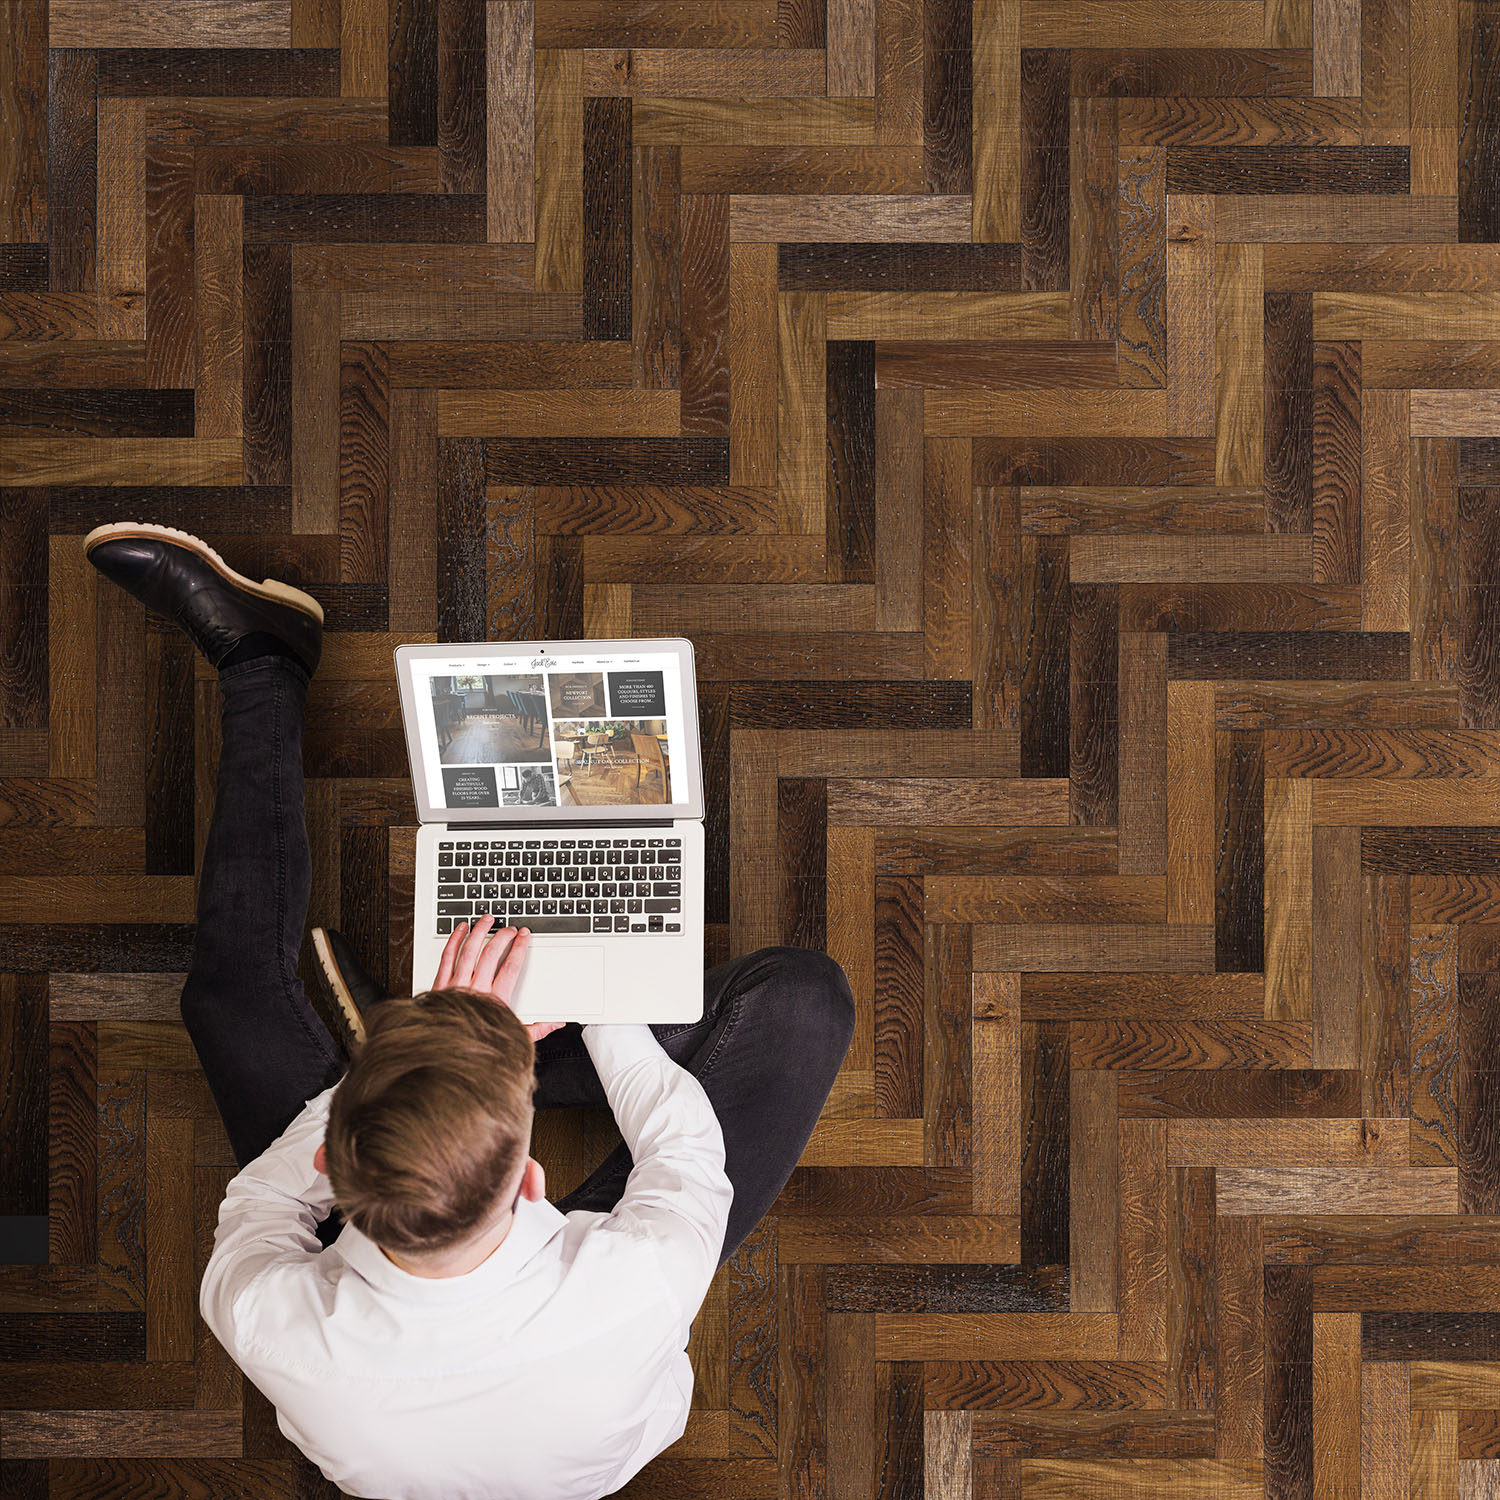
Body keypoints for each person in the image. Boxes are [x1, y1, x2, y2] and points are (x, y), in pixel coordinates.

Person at [83, 522, 856, 1500]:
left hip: (413, 1194)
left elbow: (264, 1205)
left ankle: (261, 661)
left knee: (227, 998)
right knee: (802, 1000)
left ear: (328, 1158)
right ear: (531, 1180)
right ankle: (467, 1048)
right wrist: (586, 999)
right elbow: (676, 1147)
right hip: (583, 1306)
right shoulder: (640, 1282)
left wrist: (447, 1047)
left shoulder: (269, 1317)